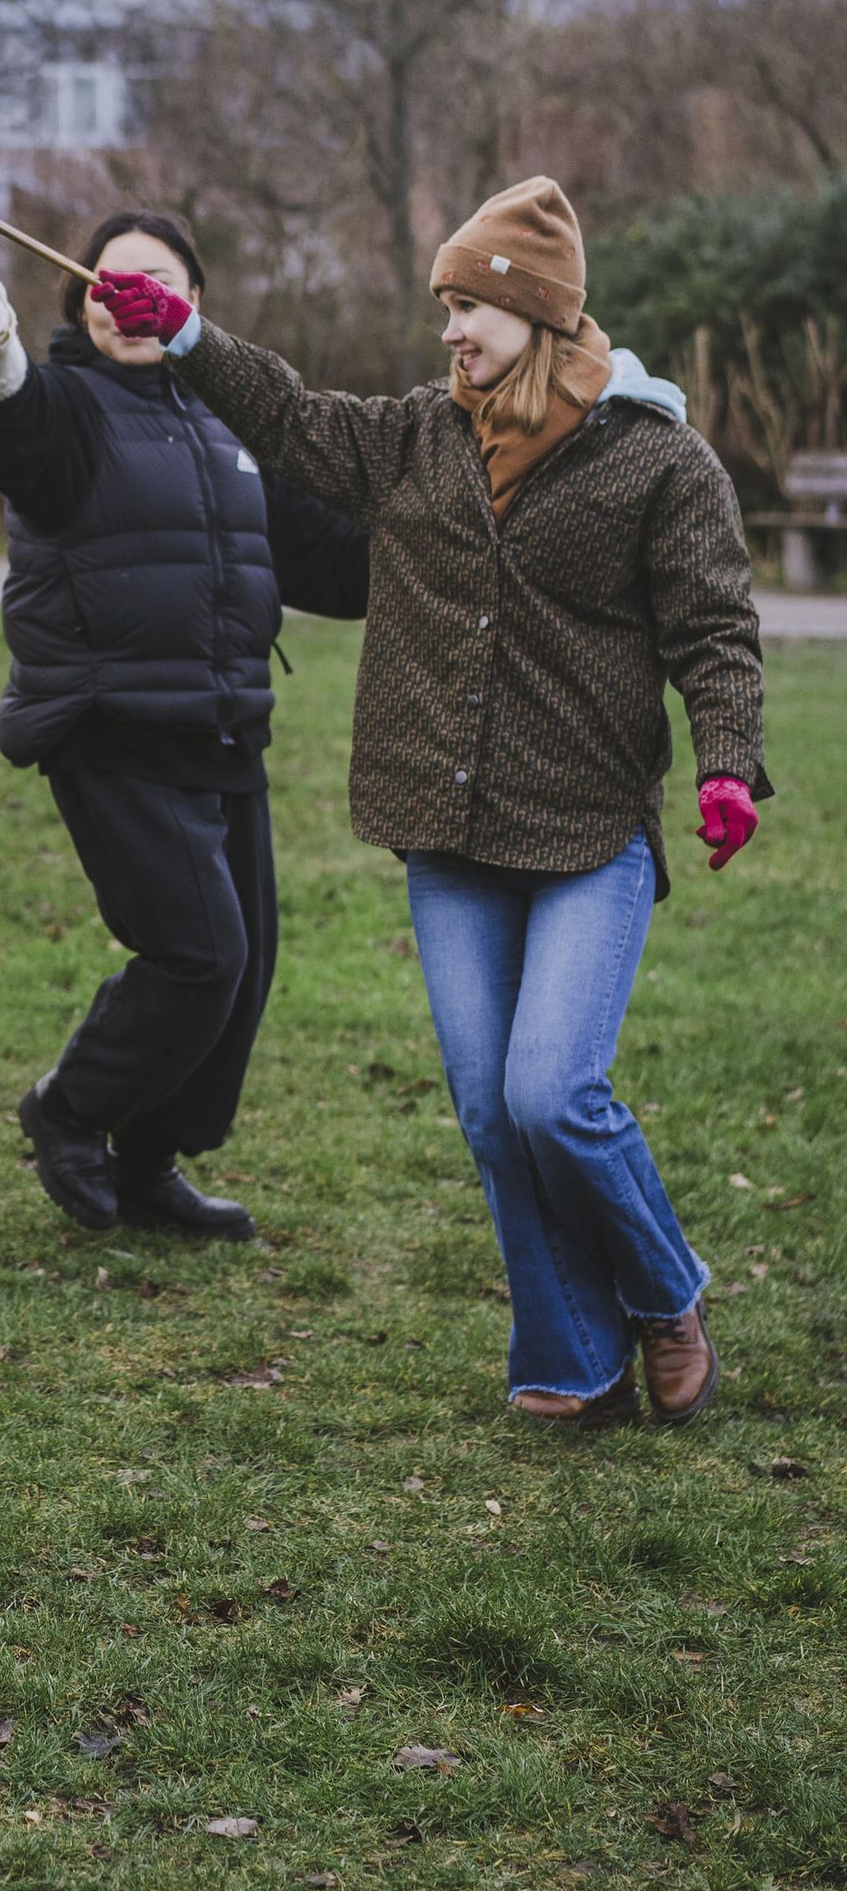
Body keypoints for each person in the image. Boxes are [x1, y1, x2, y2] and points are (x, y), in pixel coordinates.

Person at [94, 174, 767, 1428]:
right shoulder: (416, 438)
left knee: (552, 1093)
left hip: (585, 831)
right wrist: (185, 336)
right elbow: (288, 417)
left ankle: (667, 1299)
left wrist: (727, 758)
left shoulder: (655, 461)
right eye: (446, 306)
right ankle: (572, 1357)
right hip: (447, 831)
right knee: (488, 1112)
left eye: (474, 308)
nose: (452, 330)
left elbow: (718, 633)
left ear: (545, 317)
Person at [0, 210, 369, 1243]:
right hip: (110, 721)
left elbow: (334, 563)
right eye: (108, 281)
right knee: (199, 956)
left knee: (246, 970)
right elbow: (12, 429)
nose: (129, 298)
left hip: (225, 726)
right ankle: (69, 1110)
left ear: (195, 306)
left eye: (158, 282)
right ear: (79, 299)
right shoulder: (67, 406)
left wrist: (455, 538)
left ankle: (147, 1165)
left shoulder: (231, 421)